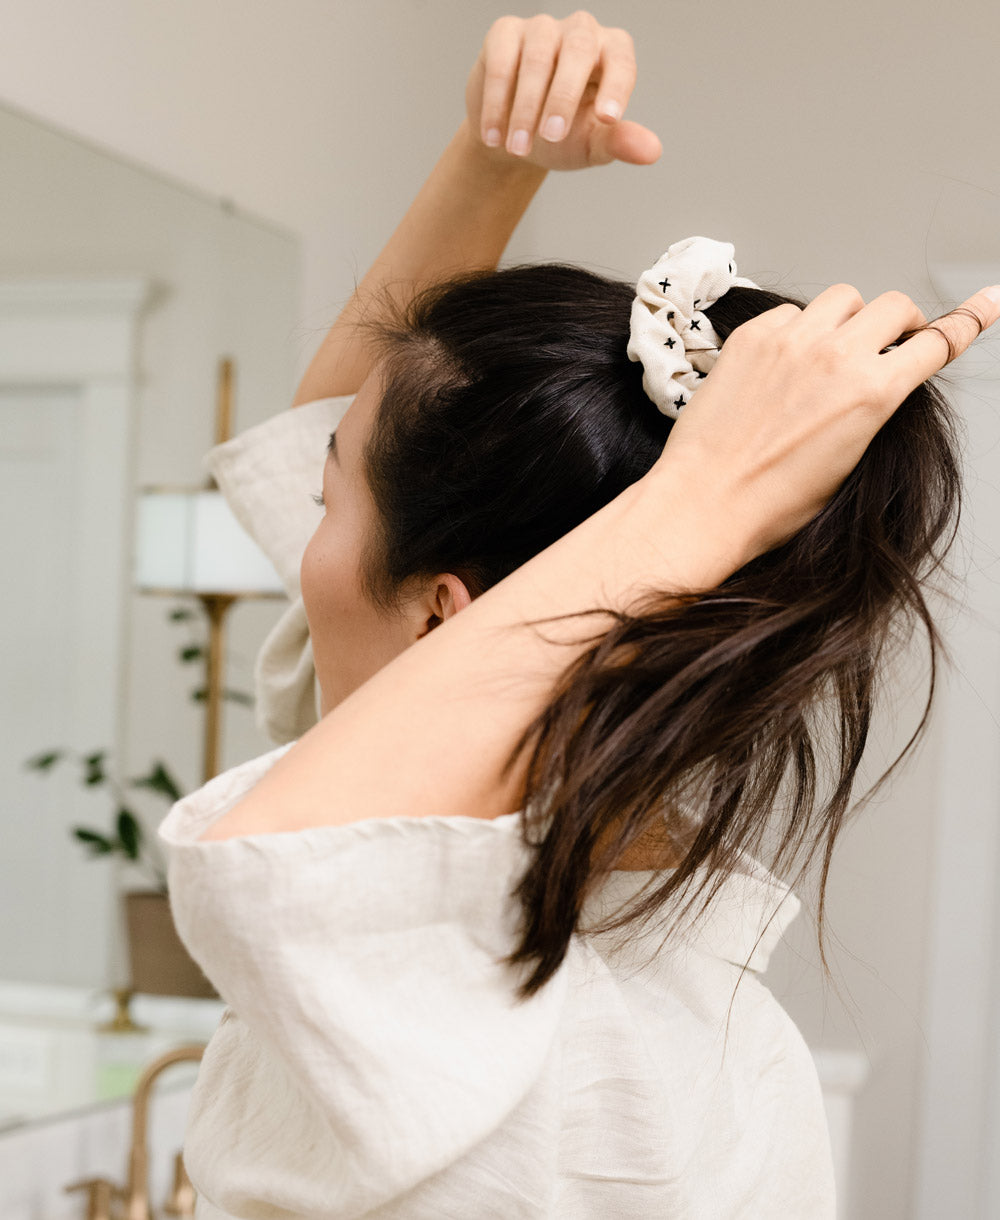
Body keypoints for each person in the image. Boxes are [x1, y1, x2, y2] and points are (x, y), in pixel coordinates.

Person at [158, 11, 1000, 1218]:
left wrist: (703, 494)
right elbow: (363, 466)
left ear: (443, 618)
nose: (306, 528)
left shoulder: (488, 1029)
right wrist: (494, 158)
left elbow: (265, 862)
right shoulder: (665, 965)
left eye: (329, 497)